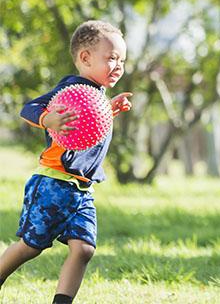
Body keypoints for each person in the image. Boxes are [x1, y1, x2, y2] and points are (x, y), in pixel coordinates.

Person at [0, 20, 133, 304]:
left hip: (83, 190)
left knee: (84, 249)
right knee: (31, 247)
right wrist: (48, 118)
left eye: (122, 59)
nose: (119, 65)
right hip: (52, 183)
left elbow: (87, 128)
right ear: (85, 58)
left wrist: (110, 109)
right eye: (111, 58)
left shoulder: (97, 96)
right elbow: (30, 108)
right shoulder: (71, 88)